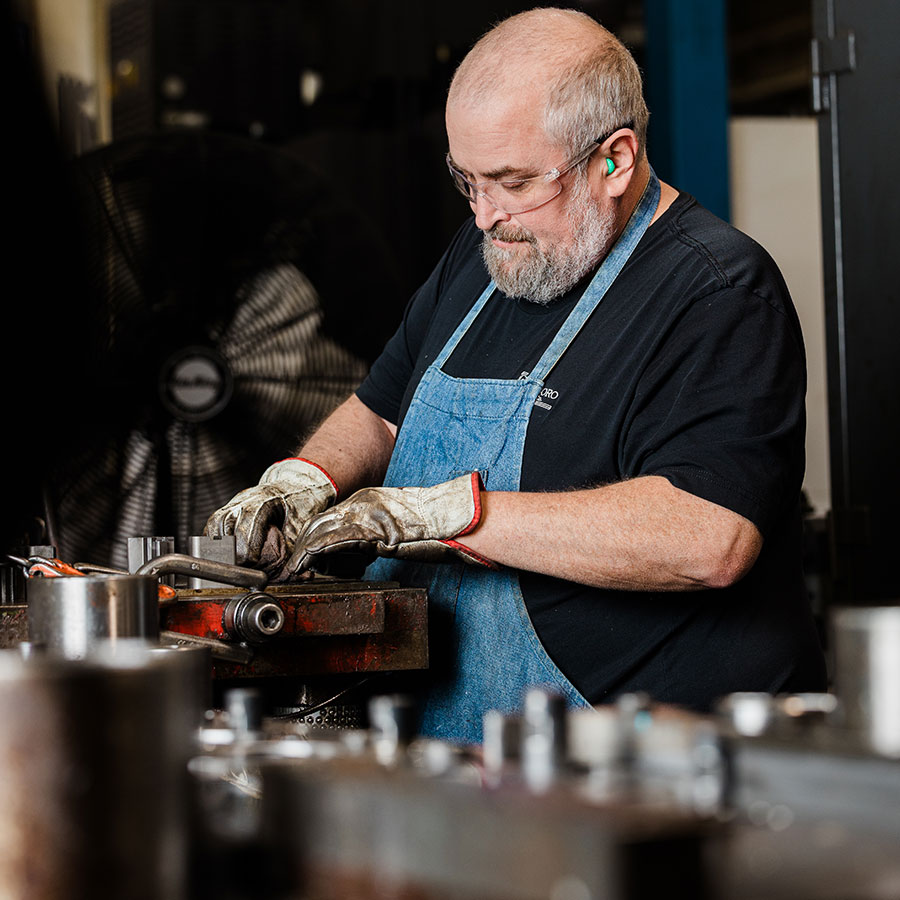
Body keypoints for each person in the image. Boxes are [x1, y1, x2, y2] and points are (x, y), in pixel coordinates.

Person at [206, 7, 826, 744]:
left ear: (614, 159)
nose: (484, 216)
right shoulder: (485, 260)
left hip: (633, 755)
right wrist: (301, 479)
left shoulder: (719, 292)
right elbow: (379, 413)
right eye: (467, 181)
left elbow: (708, 538)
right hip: (452, 730)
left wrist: (451, 516)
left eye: (511, 181)